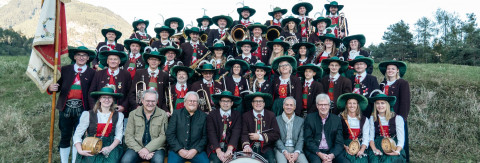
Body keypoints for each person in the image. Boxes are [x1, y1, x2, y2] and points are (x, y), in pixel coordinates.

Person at [47, 46, 96, 163]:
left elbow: (92, 92)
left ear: (88, 58)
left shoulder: (92, 73)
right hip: (65, 109)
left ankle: (75, 161)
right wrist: (50, 87)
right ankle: (64, 161)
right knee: (65, 136)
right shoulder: (65, 69)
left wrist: (91, 111)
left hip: (83, 110)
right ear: (74, 57)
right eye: (79, 55)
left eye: (84, 55)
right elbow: (55, 86)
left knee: (78, 137)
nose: (81, 57)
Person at [73, 86, 124, 162]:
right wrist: (80, 151)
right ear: (99, 99)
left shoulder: (119, 116)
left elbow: (119, 135)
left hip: (110, 145)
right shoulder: (88, 114)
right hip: (91, 145)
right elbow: (77, 134)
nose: (106, 100)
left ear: (113, 100)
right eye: (104, 97)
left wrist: (109, 148)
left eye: (109, 97)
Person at [122, 89, 169, 163]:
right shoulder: (133, 114)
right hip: (136, 147)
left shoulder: (163, 114)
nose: (150, 103)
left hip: (156, 148)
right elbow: (128, 136)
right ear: (142, 100)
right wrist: (141, 150)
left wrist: (147, 149)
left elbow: (163, 136)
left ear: (157, 101)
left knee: (158, 161)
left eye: (153, 101)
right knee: (126, 161)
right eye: (147, 101)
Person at [378, 60, 411, 161]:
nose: (390, 71)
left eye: (393, 69)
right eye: (388, 69)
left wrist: (401, 117)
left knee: (399, 137)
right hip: (383, 115)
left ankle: (399, 156)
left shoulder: (402, 83)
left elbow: (405, 101)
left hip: (396, 116)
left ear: (397, 71)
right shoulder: (382, 84)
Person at [304, 93, 348, 163]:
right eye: (321, 105)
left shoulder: (336, 120)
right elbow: (308, 140)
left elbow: (339, 142)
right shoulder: (310, 118)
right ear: (317, 106)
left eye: (326, 104)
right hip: (315, 151)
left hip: (331, 150)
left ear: (329, 106)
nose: (323, 107)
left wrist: (331, 156)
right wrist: (319, 154)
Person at [166, 91, 209, 163]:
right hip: (177, 151)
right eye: (190, 101)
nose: (192, 102)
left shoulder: (203, 116)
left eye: (195, 101)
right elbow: (170, 134)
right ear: (184, 103)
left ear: (198, 103)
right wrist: (179, 150)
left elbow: (205, 137)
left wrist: (195, 150)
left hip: (196, 151)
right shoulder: (176, 114)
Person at [89, 50, 131, 120]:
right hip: (101, 111)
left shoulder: (126, 74)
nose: (113, 61)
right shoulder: (99, 74)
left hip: (120, 111)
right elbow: (91, 93)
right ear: (107, 61)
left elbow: (129, 93)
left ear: (119, 61)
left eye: (115, 59)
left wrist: (124, 106)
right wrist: (95, 108)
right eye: (110, 59)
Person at [241, 92, 280, 163]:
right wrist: (246, 146)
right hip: (250, 147)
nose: (258, 103)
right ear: (252, 103)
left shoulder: (271, 115)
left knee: (272, 161)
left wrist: (259, 137)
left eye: (260, 101)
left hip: (266, 148)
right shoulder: (246, 116)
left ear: (264, 104)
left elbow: (276, 134)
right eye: (255, 101)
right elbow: (244, 133)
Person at [368, 94, 406, 163]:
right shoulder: (372, 118)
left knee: (389, 160)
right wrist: (374, 149)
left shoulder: (397, 118)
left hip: (392, 144)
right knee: (374, 160)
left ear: (387, 104)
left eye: (382, 103)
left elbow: (401, 139)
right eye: (377, 103)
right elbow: (371, 138)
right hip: (378, 144)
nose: (380, 106)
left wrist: (397, 151)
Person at [207, 91, 243, 163]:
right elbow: (211, 133)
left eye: (228, 101)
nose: (225, 103)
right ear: (219, 102)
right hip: (215, 146)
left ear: (232, 103)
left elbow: (236, 133)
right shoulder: (212, 115)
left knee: (232, 161)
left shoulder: (237, 115)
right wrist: (218, 151)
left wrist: (230, 149)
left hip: (231, 146)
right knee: (216, 161)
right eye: (223, 101)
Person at [337, 93, 371, 163]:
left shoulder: (364, 119)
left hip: (359, 145)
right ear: (346, 105)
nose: (352, 105)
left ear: (357, 105)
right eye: (349, 103)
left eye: (354, 103)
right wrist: (344, 146)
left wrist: (361, 150)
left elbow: (366, 137)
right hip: (344, 145)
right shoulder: (340, 118)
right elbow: (337, 136)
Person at [275, 97, 309, 163]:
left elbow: (301, 139)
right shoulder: (276, 120)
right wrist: (285, 151)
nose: (289, 107)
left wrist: (296, 153)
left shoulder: (301, 121)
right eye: (287, 105)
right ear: (283, 106)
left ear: (294, 107)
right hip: (281, 149)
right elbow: (277, 139)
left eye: (291, 105)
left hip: (296, 148)